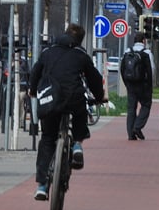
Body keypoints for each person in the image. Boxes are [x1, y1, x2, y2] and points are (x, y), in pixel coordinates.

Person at [28, 24, 105, 200]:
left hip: (51, 99)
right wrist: (99, 97)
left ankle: (42, 185)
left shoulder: (48, 52)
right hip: (73, 97)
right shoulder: (81, 55)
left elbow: (35, 72)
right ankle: (77, 144)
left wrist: (33, 90)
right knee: (80, 113)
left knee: (48, 138)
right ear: (80, 40)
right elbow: (94, 79)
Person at [122, 32, 154, 141]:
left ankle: (130, 134)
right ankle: (137, 126)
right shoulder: (147, 53)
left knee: (131, 108)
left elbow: (122, 69)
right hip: (143, 85)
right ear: (143, 41)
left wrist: (126, 83)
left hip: (130, 84)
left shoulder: (127, 52)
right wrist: (150, 85)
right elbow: (151, 70)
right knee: (146, 105)